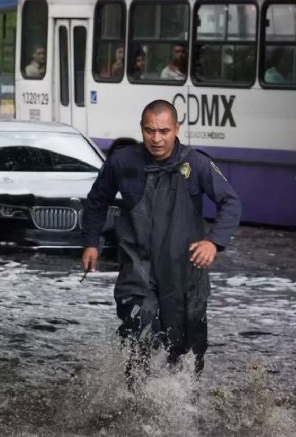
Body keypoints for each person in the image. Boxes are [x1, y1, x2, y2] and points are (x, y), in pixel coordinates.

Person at [81, 99, 241, 383]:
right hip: (138, 268)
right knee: (138, 335)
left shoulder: (197, 163)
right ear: (141, 130)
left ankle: (182, 411)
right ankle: (135, 404)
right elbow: (95, 202)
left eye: (164, 131)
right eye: (149, 131)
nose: (156, 139)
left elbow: (230, 202)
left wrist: (213, 242)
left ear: (176, 128)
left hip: (185, 271)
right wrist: (91, 242)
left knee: (187, 351)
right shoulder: (122, 162)